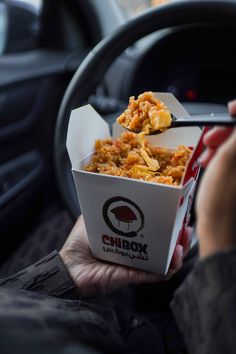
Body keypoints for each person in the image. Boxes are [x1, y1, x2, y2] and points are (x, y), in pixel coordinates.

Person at [0, 100, 235, 354]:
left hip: (66, 307)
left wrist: (66, 271)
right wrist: (216, 237)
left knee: (61, 219)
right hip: (144, 339)